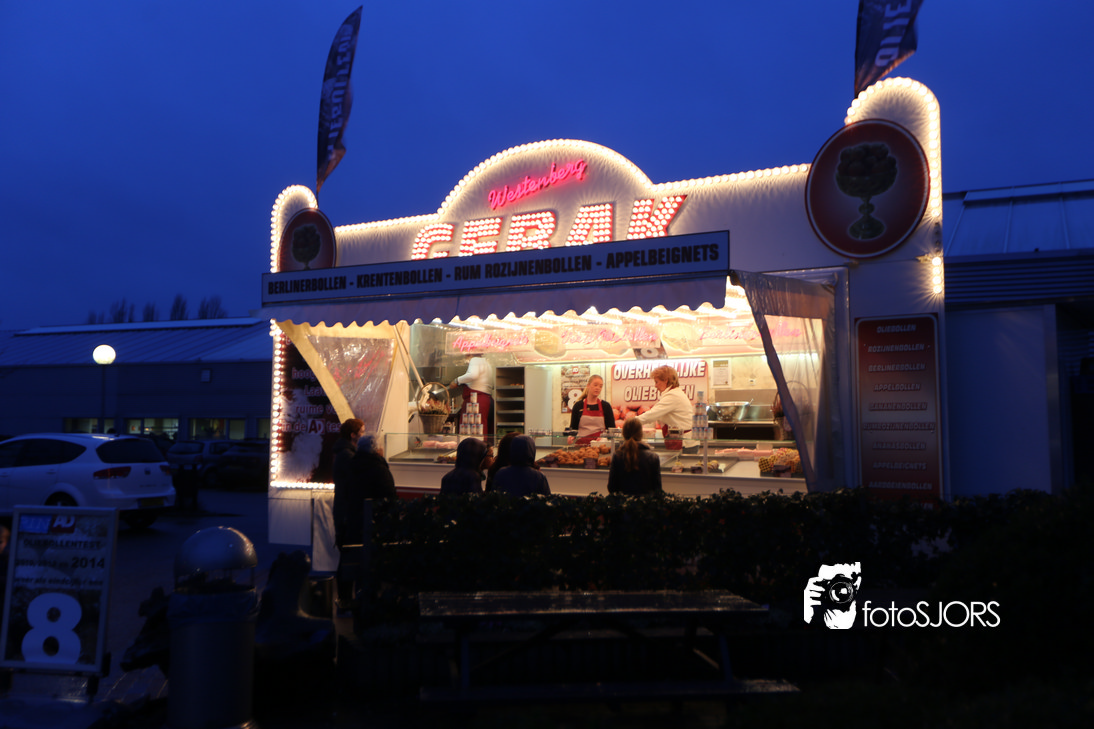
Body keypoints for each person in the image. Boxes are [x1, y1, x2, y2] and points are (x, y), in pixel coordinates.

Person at [627, 364, 694, 450]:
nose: (655, 386)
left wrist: (630, 423)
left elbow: (652, 415)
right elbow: (655, 416)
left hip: (684, 444)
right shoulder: (673, 394)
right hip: (680, 441)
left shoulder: (673, 396)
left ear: (666, 380)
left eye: (656, 382)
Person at [607, 418, 663, 495]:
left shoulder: (617, 456)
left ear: (623, 434)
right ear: (641, 434)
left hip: (623, 501)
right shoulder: (653, 457)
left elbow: (611, 487)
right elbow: (657, 489)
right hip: (646, 501)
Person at [331, 418, 364, 548]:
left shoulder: (344, 452)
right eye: (362, 432)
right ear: (353, 435)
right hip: (346, 508)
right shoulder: (347, 455)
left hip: (343, 506)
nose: (364, 435)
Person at [450, 352, 495, 439]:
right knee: (485, 434)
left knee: (474, 435)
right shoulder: (486, 363)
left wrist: (457, 381)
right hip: (487, 401)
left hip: (477, 401)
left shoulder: (475, 360)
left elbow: (472, 375)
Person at [568, 374, 616, 443]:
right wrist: (571, 437)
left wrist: (604, 436)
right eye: (595, 385)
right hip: (581, 445)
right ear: (588, 385)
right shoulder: (578, 406)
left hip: (600, 445)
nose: (598, 388)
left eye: (600, 386)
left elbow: (611, 430)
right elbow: (573, 429)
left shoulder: (606, 406)